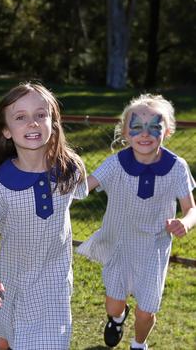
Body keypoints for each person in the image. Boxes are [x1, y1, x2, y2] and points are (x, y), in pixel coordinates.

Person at [0, 82, 87, 350]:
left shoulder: (71, 170)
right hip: (9, 280)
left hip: (54, 282)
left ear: (53, 122)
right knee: (1, 339)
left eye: (40, 115)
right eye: (21, 117)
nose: (32, 123)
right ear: (7, 130)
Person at [76, 94, 196, 350]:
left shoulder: (176, 167)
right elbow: (84, 188)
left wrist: (185, 222)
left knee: (146, 310)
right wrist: (60, 189)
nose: (145, 134)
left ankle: (139, 344)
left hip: (154, 247)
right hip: (119, 244)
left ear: (169, 131)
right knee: (113, 304)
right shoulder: (116, 163)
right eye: (137, 126)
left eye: (155, 126)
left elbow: (191, 208)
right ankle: (118, 318)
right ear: (125, 132)